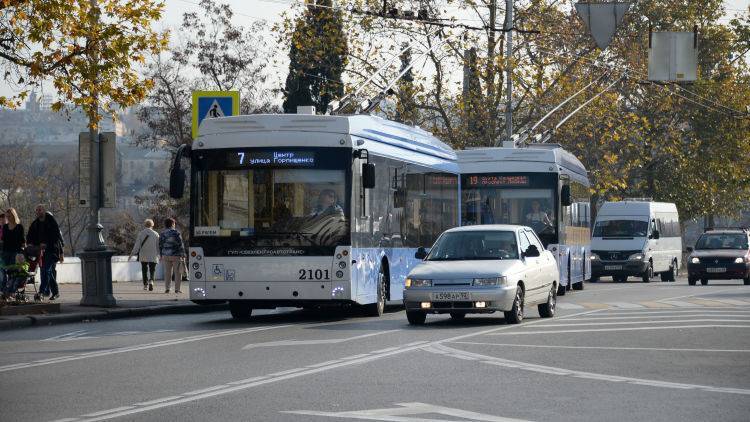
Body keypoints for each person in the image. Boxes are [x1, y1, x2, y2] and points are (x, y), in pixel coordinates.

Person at [26, 204, 64, 301]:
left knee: (45, 270)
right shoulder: (35, 223)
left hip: (51, 251)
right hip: (40, 251)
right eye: (37, 210)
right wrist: (30, 244)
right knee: (48, 272)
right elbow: (30, 236)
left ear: (44, 211)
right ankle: (55, 292)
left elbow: (57, 237)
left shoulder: (51, 221)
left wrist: (48, 245)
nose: (38, 212)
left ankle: (41, 292)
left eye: (40, 210)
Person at [129, 219, 160, 291]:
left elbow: (137, 245)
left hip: (143, 254)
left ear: (145, 225)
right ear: (152, 225)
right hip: (153, 254)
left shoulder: (141, 233)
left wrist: (132, 254)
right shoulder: (156, 234)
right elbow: (158, 246)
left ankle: (145, 285)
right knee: (152, 269)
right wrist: (159, 254)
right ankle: (151, 281)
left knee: (144, 269)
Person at [159, 218, 186, 294]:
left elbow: (160, 244)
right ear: (173, 224)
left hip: (165, 255)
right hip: (176, 255)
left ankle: (167, 288)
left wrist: (161, 254)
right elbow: (181, 244)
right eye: (174, 223)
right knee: (177, 272)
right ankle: (177, 289)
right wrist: (183, 254)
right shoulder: (176, 232)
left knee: (167, 272)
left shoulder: (162, 233)